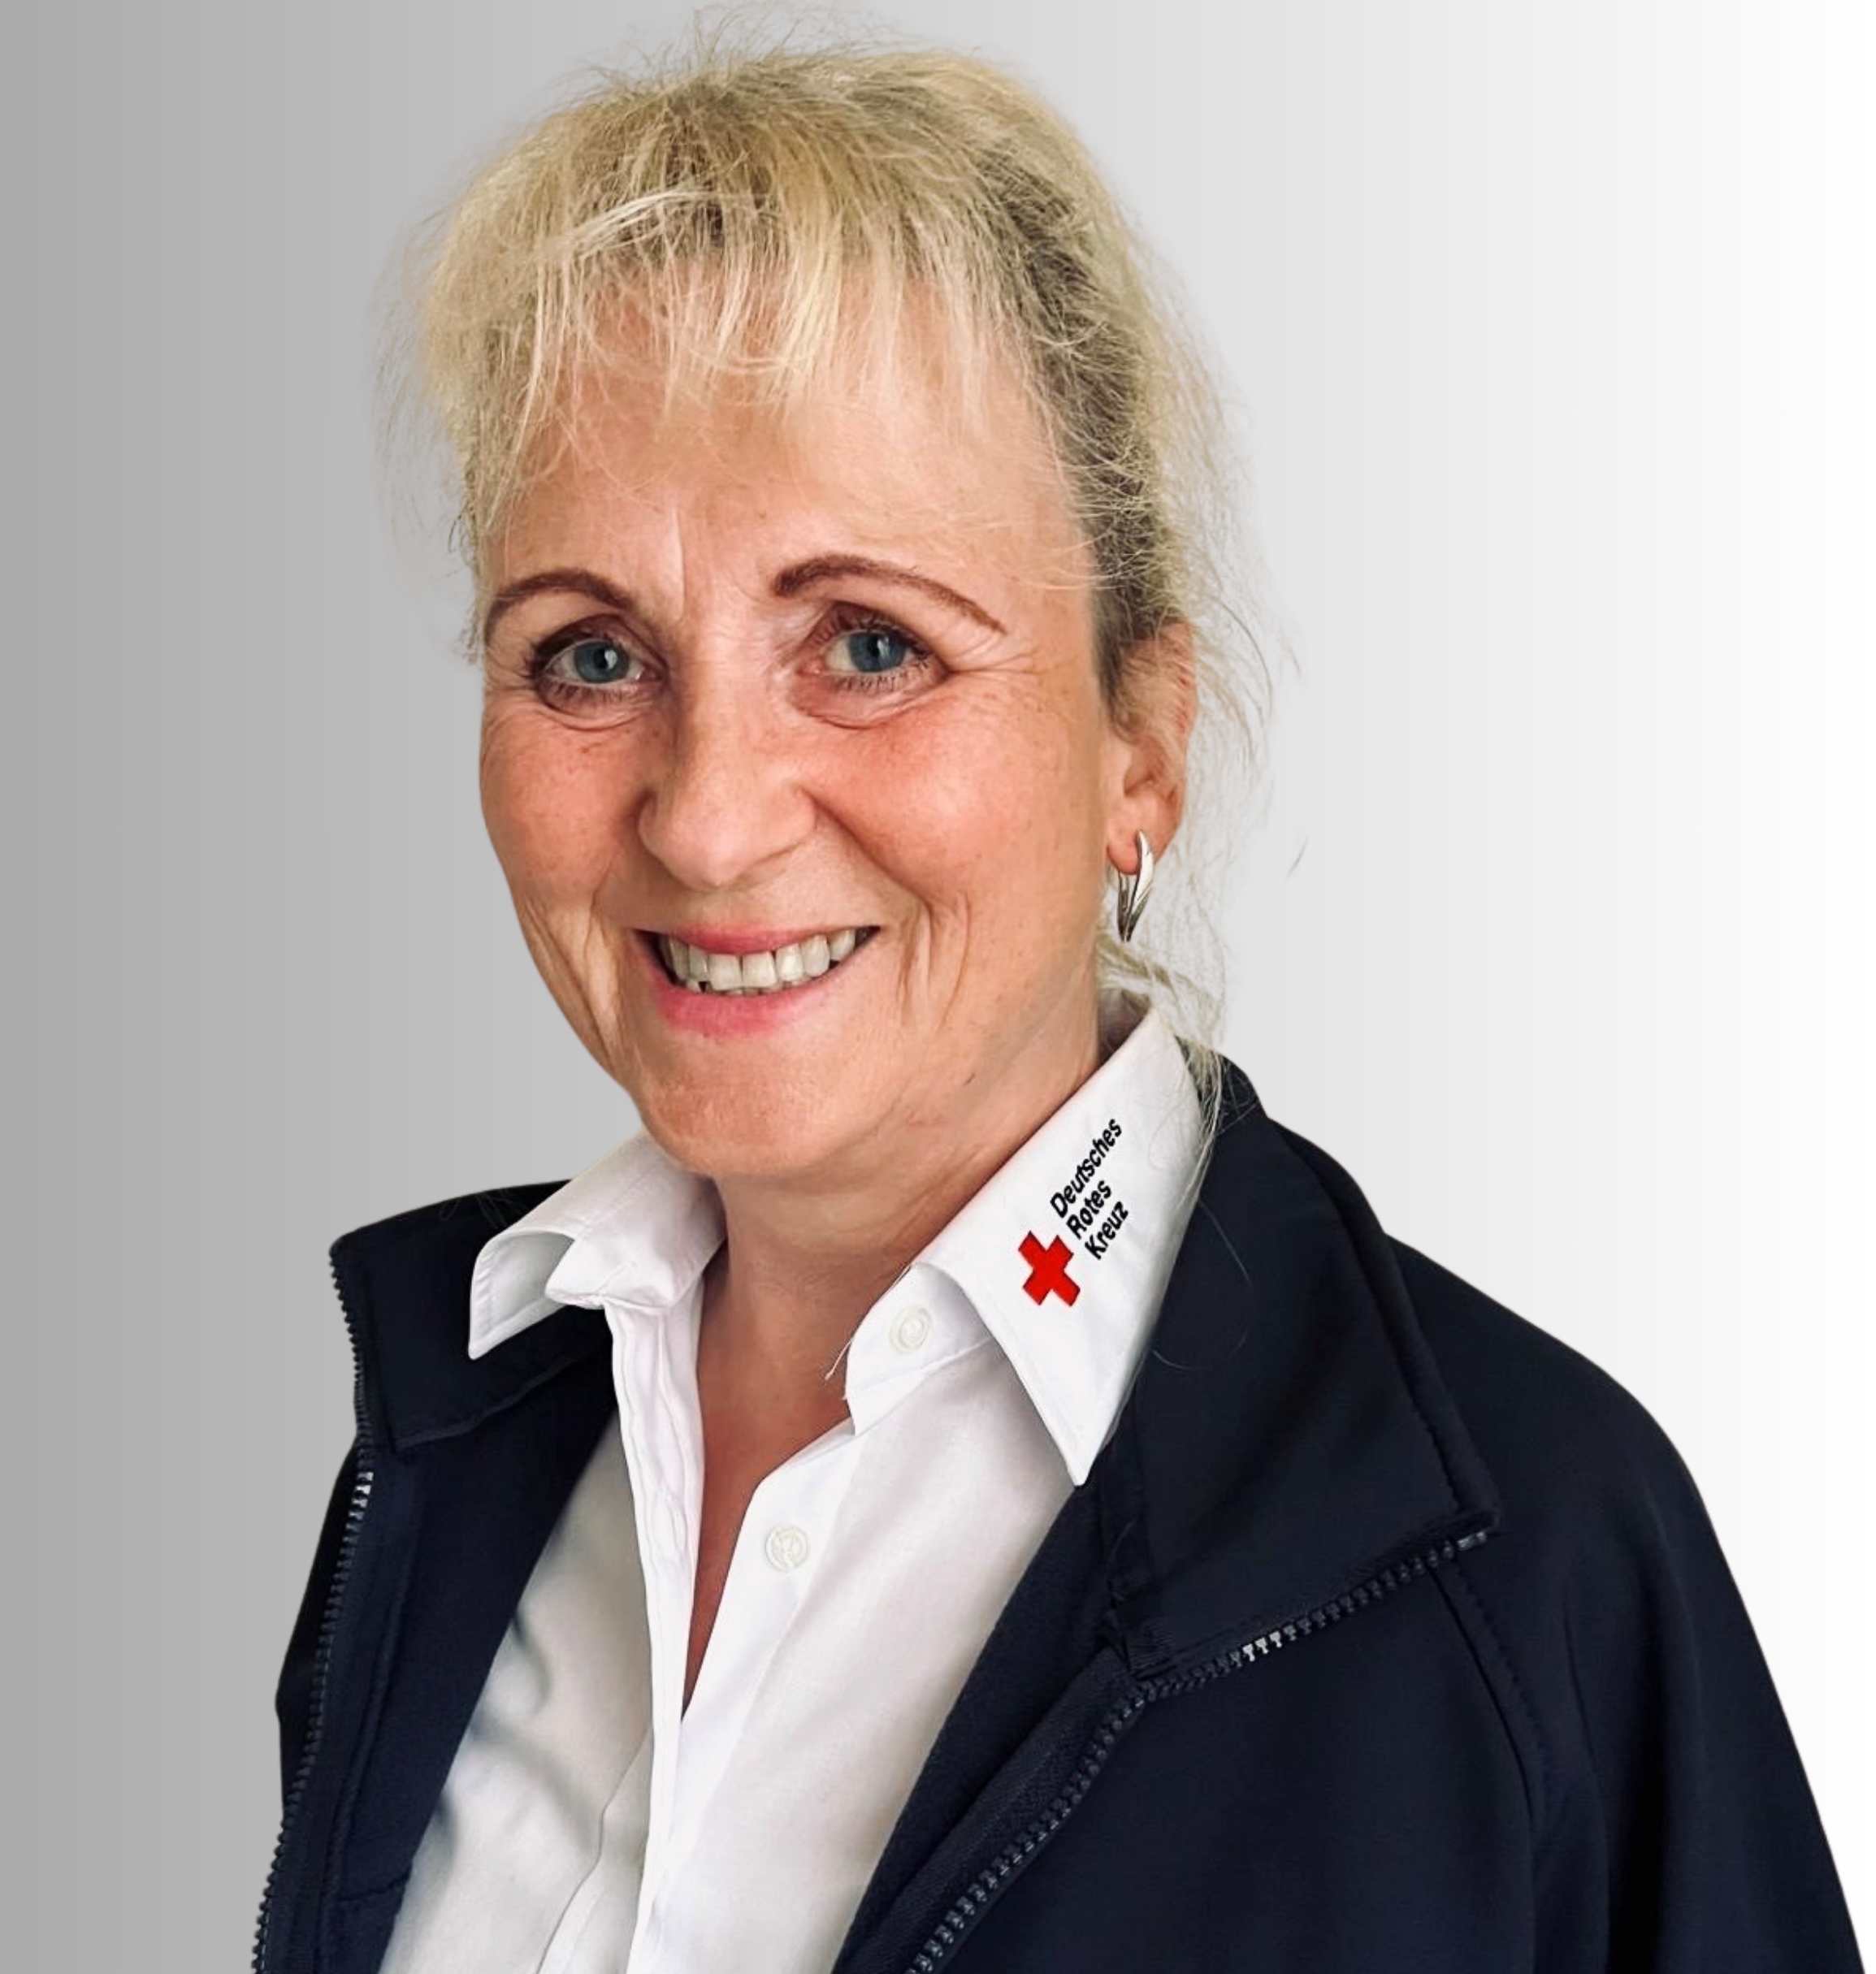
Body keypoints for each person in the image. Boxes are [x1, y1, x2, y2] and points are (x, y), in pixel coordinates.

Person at [252, 22, 1865, 1974]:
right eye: (591, 655)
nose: (710, 818)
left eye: (869, 645)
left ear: (1140, 744)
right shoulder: (451, 1453)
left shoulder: (1523, 1571)